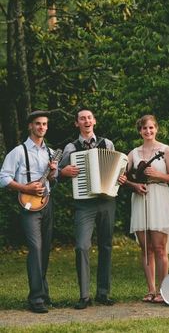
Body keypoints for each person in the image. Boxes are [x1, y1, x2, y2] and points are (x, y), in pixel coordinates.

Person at [59, 108, 126, 310]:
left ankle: (103, 293)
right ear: (76, 123)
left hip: (107, 200)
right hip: (84, 203)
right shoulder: (71, 147)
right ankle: (84, 295)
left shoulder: (107, 143)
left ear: (94, 121)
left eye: (89, 117)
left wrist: (120, 179)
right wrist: (64, 172)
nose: (86, 121)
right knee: (81, 246)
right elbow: (59, 173)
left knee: (106, 245)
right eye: (82, 118)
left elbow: (118, 168)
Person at [0, 110, 58, 313]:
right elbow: (3, 178)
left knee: (45, 249)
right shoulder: (18, 152)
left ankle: (43, 292)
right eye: (37, 124)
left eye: (44, 124)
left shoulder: (50, 152)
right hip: (28, 206)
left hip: (47, 204)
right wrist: (25, 188)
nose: (41, 127)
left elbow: (53, 180)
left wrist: (52, 173)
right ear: (30, 126)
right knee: (35, 248)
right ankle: (36, 299)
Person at [125, 115, 169, 303]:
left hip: (160, 197)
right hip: (140, 198)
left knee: (159, 247)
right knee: (145, 248)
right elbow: (122, 177)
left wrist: (158, 174)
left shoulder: (166, 150)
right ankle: (151, 290)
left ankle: (163, 291)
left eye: (151, 128)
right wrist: (134, 186)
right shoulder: (133, 153)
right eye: (144, 129)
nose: (148, 131)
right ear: (140, 131)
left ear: (156, 129)